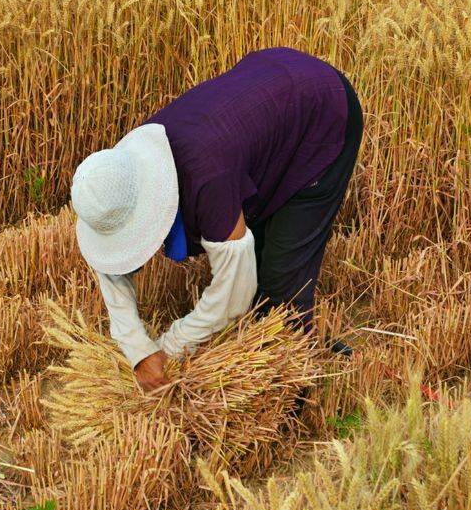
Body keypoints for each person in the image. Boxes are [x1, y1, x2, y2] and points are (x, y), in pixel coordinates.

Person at [70, 46, 364, 393]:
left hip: (320, 113)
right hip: (266, 92)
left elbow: (235, 290)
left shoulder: (206, 179)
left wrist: (171, 348)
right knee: (258, 248)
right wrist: (137, 349)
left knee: (281, 287)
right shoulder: (117, 173)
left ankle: (286, 403)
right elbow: (110, 266)